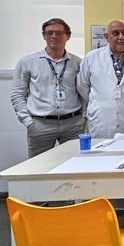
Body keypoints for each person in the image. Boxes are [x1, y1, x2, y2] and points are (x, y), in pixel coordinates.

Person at [10, 18, 85, 158]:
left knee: (74, 163)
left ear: (68, 36)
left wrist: (84, 117)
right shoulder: (27, 62)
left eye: (59, 33)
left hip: (73, 124)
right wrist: (28, 121)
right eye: (49, 33)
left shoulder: (78, 63)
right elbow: (17, 94)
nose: (54, 36)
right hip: (40, 125)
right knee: (39, 165)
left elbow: (84, 92)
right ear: (44, 36)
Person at [77, 20, 124, 138]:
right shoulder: (91, 58)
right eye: (115, 33)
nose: (121, 37)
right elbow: (82, 86)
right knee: (101, 149)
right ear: (107, 37)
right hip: (101, 121)